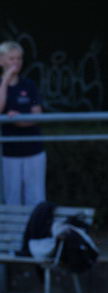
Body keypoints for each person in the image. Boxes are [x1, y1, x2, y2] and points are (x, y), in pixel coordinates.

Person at [0, 41, 45, 207]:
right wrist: (5, 82)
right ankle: (13, 233)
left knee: (36, 197)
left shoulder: (29, 85)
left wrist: (20, 120)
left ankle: (37, 233)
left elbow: (37, 115)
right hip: (9, 151)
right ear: (1, 61)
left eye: (19, 58)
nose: (16, 63)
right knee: (12, 198)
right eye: (11, 59)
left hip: (33, 149)